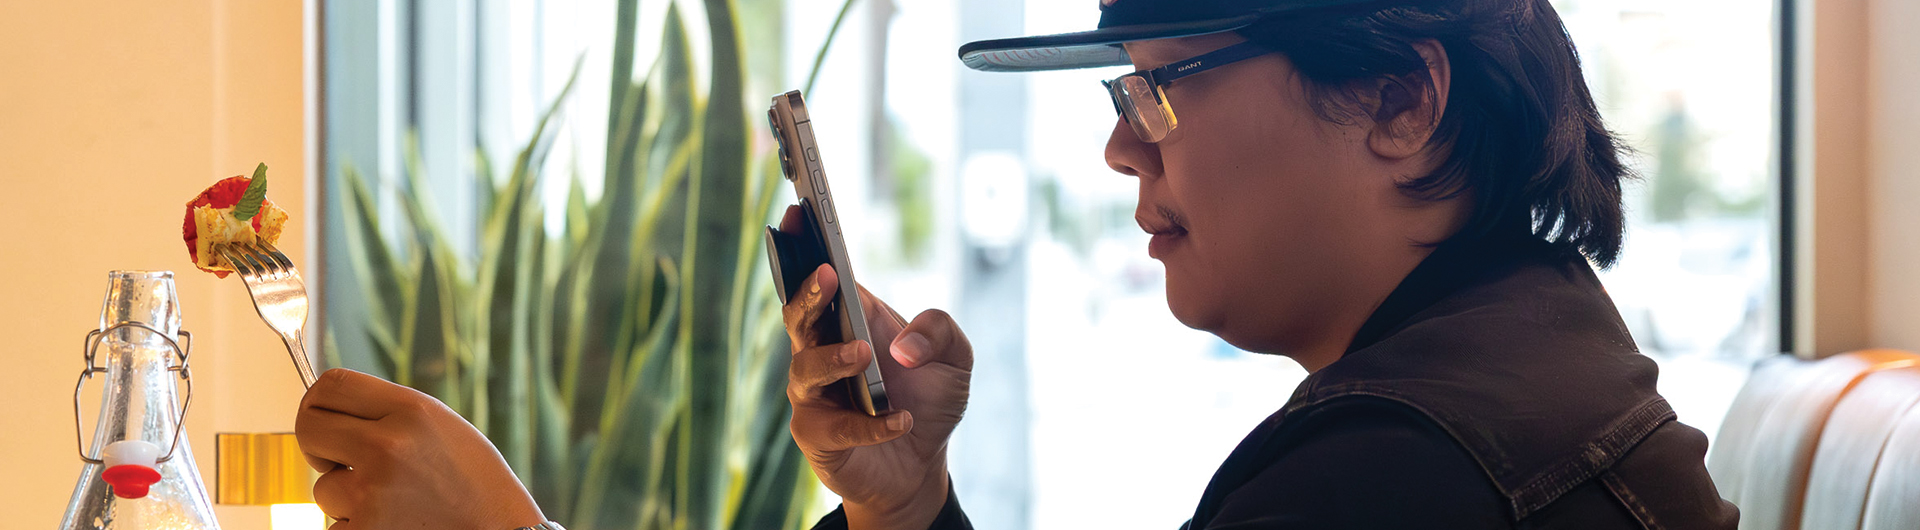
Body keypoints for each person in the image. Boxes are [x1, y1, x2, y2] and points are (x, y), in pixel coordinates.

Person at [295, 0, 1742, 528]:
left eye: (1159, 87)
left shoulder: (1397, 475)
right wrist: (913, 507)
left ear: (1402, 101)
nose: (1123, 151)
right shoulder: (1530, 359)